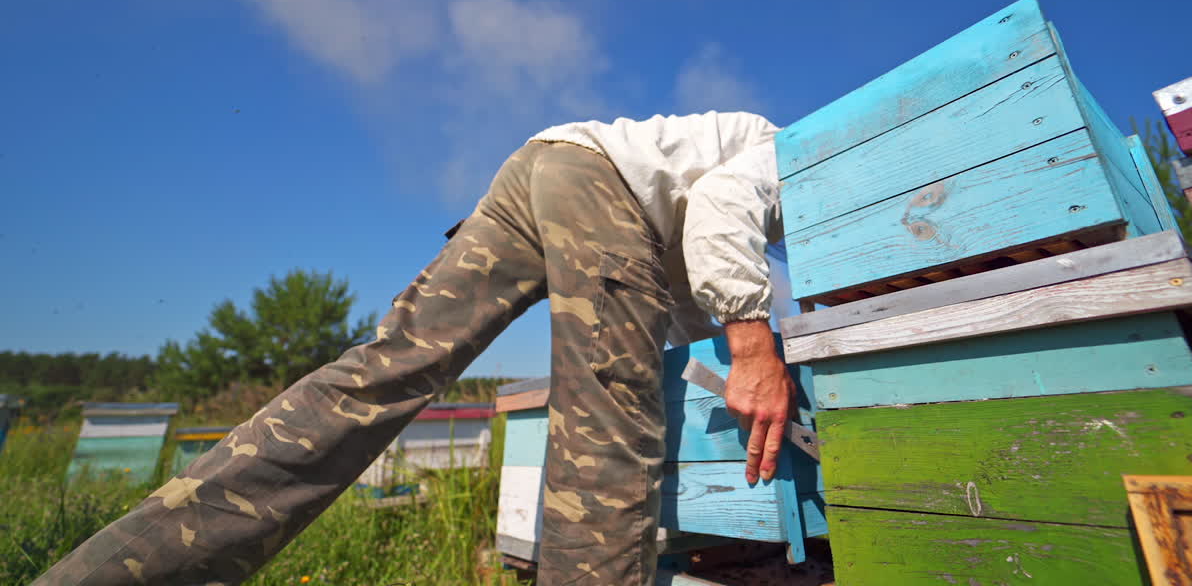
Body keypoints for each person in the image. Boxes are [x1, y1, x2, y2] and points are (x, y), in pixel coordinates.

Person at [35, 111, 795, 586]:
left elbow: (677, 314)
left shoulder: (699, 184)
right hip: (600, 185)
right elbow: (723, 215)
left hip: (537, 165)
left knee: (375, 376)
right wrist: (756, 351)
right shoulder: (788, 149)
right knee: (607, 440)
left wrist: (732, 362)